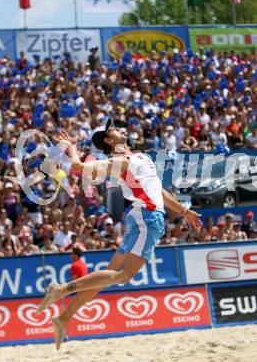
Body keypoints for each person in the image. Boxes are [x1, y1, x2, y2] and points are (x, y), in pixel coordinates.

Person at [37, 118, 202, 349]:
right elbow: (79, 168)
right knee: (122, 276)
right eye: (113, 128)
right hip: (147, 217)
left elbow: (159, 190)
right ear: (109, 140)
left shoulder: (140, 157)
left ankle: (64, 317)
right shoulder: (119, 161)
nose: (118, 128)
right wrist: (72, 147)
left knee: (110, 274)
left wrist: (184, 211)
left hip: (141, 216)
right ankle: (61, 289)